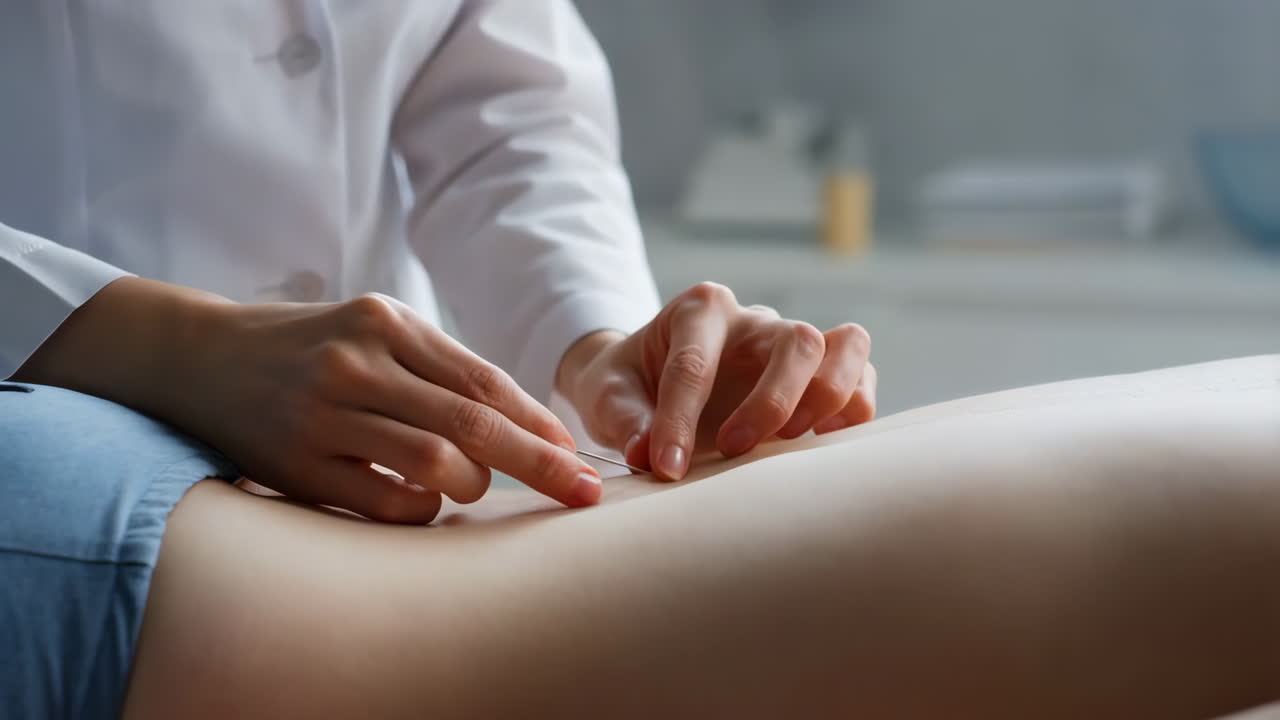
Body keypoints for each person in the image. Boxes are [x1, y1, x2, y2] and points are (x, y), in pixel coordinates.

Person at [1, 1, 875, 716]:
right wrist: (160, 343)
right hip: (60, 433)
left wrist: (596, 339)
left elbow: (505, 109)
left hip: (395, 472)